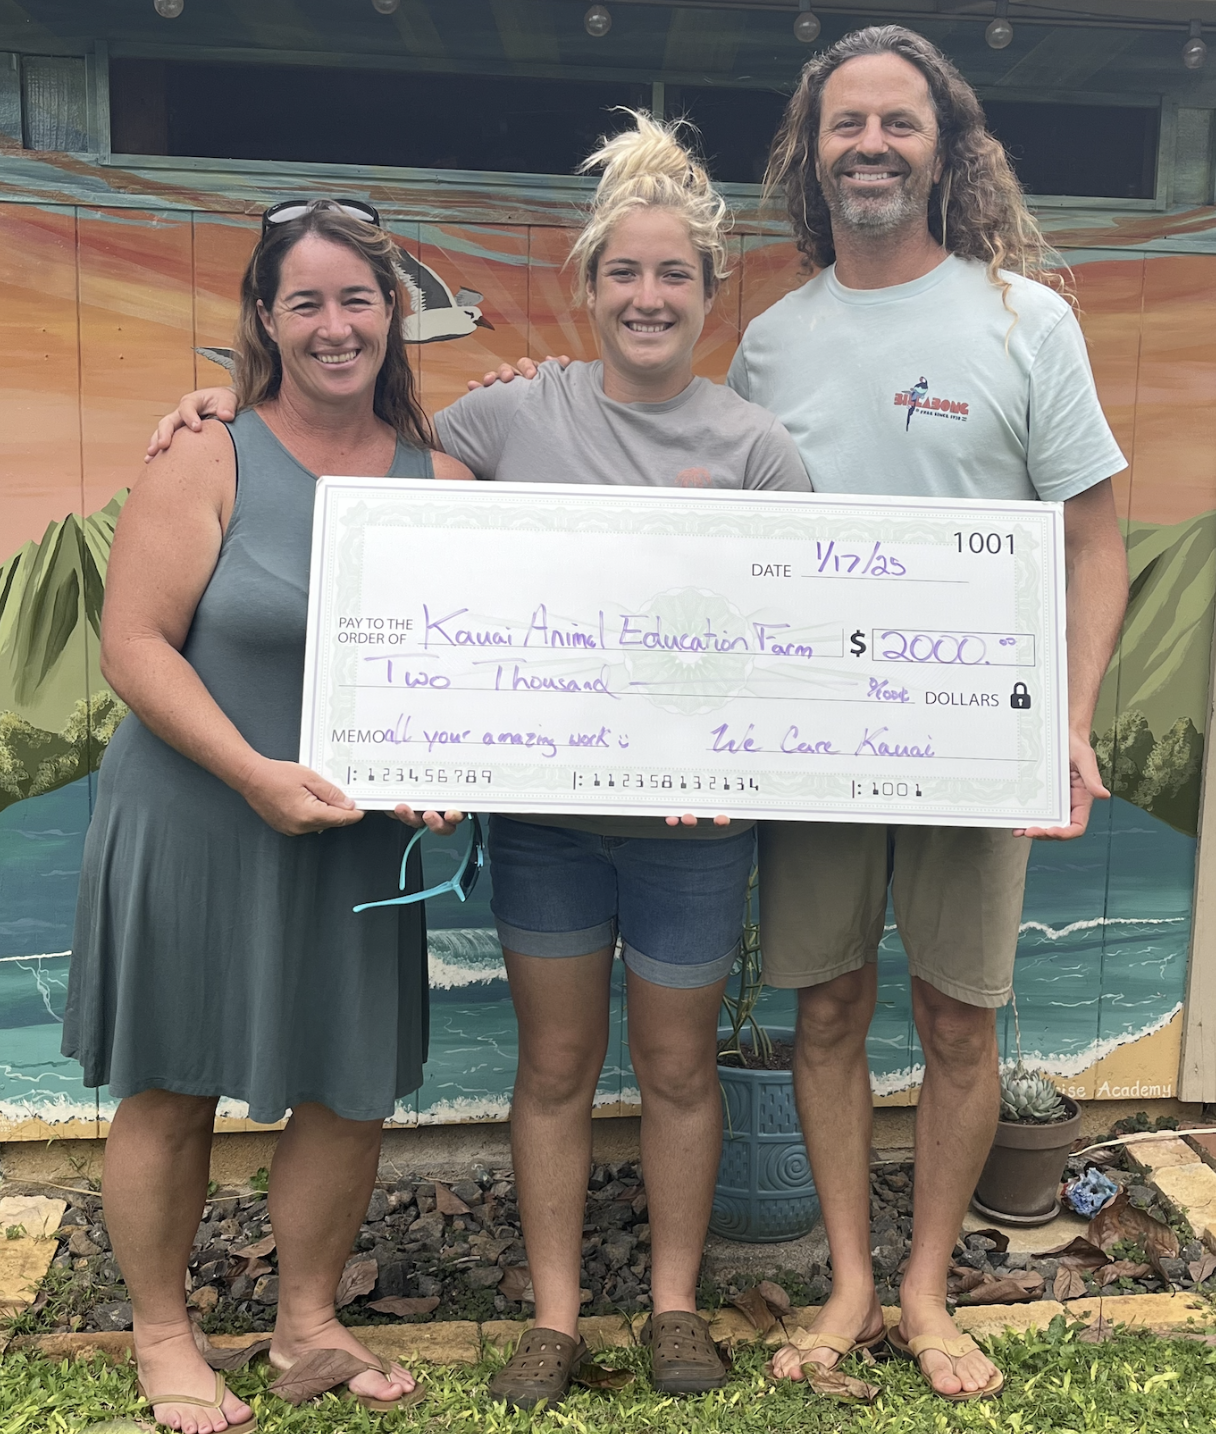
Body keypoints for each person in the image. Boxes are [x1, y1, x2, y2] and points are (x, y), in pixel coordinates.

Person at [149, 112, 812, 1408]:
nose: (647, 293)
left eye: (673, 273)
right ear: (589, 283)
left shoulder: (760, 451)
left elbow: (786, 650)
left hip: (694, 835)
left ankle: (675, 1307)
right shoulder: (518, 411)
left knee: (677, 1066)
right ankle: (558, 1318)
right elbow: (365, 451)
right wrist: (233, 401)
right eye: (623, 270)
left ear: (709, 290)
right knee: (556, 1068)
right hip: (549, 828)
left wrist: (754, 758)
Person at [725, 26, 1129, 1403]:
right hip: (821, 744)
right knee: (827, 1007)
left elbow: (1091, 542)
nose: (873, 145)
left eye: (901, 123)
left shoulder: (1028, 320)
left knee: (961, 1018)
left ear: (947, 148)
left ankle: (924, 1284)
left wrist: (1070, 719)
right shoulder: (771, 343)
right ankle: (849, 1278)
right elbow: (722, 540)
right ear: (813, 151)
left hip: (978, 737)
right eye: (848, 124)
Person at [67, 199, 472, 1434]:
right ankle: (161, 1332)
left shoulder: (446, 476)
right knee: (169, 1082)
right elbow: (132, 646)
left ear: (395, 313)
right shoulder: (210, 453)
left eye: (358, 298)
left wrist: (452, 762)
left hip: (353, 834)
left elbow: (464, 664)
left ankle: (306, 1325)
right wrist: (252, 771)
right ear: (265, 318)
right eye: (306, 301)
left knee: (347, 1089)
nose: (335, 325)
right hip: (196, 818)